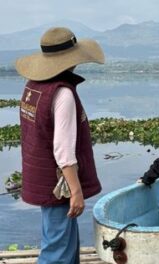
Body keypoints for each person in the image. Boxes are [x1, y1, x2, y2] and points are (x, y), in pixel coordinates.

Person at [16, 27, 103, 263]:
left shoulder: (33, 86)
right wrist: (76, 192)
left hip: (42, 178)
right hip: (58, 184)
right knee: (57, 253)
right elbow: (63, 150)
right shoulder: (62, 94)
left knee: (63, 244)